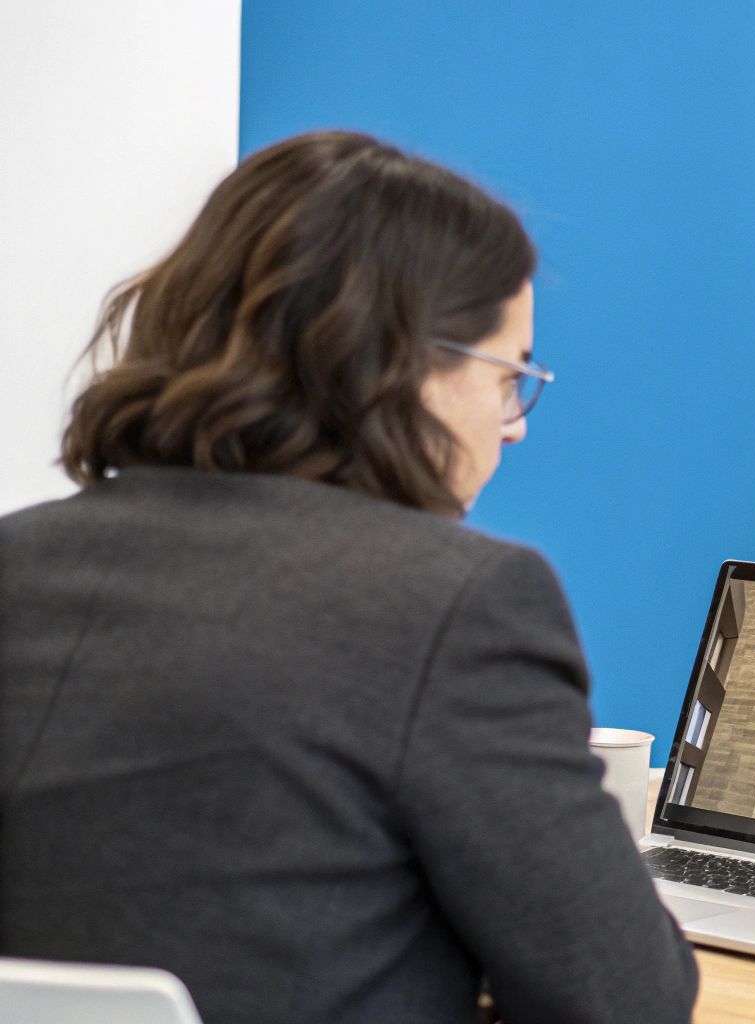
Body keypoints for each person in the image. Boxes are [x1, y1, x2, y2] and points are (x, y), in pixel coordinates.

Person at [0, 131, 697, 1023]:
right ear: (402, 365)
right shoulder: (456, 605)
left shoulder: (18, 560)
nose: (513, 427)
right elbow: (624, 1001)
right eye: (511, 376)